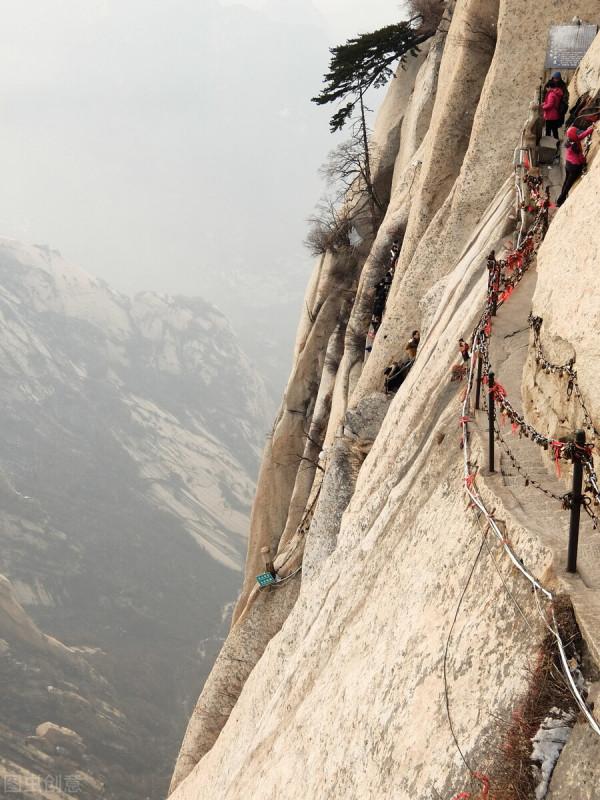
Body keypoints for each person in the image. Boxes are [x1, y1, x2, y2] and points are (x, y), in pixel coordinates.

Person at [556, 124, 595, 207]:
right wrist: (584, 162)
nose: (578, 133)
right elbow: (580, 158)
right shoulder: (575, 146)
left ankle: (560, 199)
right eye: (576, 132)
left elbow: (581, 136)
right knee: (568, 185)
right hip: (574, 167)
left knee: (566, 182)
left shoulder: (570, 141)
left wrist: (590, 129)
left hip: (568, 164)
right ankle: (560, 201)